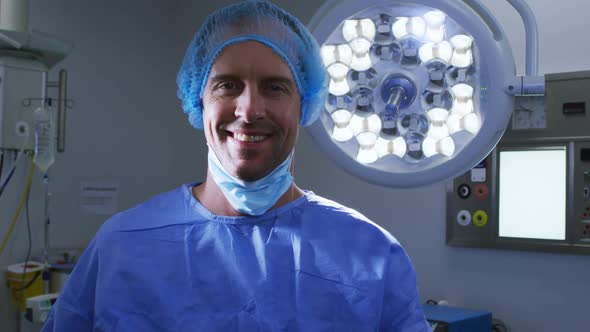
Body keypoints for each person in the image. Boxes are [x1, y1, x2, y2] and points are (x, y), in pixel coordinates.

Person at [42, 1, 430, 331]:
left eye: (274, 87)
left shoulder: (372, 256)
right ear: (199, 99)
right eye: (227, 85)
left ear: (305, 104)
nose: (249, 111)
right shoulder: (121, 247)